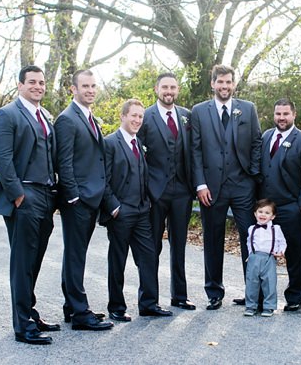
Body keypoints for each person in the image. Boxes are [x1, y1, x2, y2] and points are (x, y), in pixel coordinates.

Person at [0, 65, 60, 345]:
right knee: (22, 262)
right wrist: (18, 195)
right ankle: (22, 325)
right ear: (20, 85)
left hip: (46, 195)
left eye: (41, 82)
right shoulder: (7, 115)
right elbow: (2, 159)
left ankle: (29, 312)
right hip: (25, 196)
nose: (38, 86)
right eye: (32, 82)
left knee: (35, 260)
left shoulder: (45, 116)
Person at [190, 63, 262, 309]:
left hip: (242, 185)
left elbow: (256, 142)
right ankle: (214, 292)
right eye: (220, 82)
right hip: (211, 188)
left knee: (250, 238)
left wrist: (253, 175)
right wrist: (200, 184)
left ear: (234, 84)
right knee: (212, 239)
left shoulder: (247, 109)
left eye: (228, 82)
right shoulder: (199, 111)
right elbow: (195, 150)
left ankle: (253, 292)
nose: (224, 86)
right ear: (213, 84)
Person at [100, 100, 172, 321]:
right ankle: (116, 306)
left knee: (149, 256)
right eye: (133, 115)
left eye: (140, 116)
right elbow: (103, 179)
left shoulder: (139, 143)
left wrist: (148, 202)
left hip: (141, 211)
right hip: (120, 212)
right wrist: (114, 207)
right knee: (118, 260)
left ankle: (149, 303)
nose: (137, 120)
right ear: (123, 116)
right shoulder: (110, 143)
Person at [54, 69, 113, 331]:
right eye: (85, 86)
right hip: (78, 201)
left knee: (75, 255)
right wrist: (74, 197)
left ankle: (72, 306)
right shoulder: (67, 119)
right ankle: (80, 313)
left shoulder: (88, 117)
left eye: (93, 86)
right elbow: (63, 162)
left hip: (91, 198)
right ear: (73, 89)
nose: (90, 90)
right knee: (75, 255)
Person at [136, 72, 195, 310]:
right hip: (155, 192)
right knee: (152, 246)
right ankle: (148, 300)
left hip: (182, 191)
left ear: (177, 89)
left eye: (172, 87)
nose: (169, 92)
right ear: (156, 89)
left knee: (179, 245)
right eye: (165, 87)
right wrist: (144, 189)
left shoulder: (187, 116)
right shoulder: (145, 117)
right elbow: (137, 155)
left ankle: (179, 295)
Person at [258, 98, 301, 311]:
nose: (281, 118)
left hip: (291, 207)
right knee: (262, 252)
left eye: (285, 114)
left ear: (294, 115)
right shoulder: (266, 136)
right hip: (266, 208)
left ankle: (295, 296)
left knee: (294, 253)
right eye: (278, 114)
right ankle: (261, 296)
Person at [242, 199, 287, 316]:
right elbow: (249, 242)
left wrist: (281, 251)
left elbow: (282, 242)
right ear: (255, 213)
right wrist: (250, 254)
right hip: (254, 257)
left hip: (269, 258)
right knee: (251, 282)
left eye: (267, 213)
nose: (263, 215)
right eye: (260, 212)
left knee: (269, 282)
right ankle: (251, 306)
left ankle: (269, 306)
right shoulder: (251, 228)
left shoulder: (276, 229)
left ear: (273, 216)